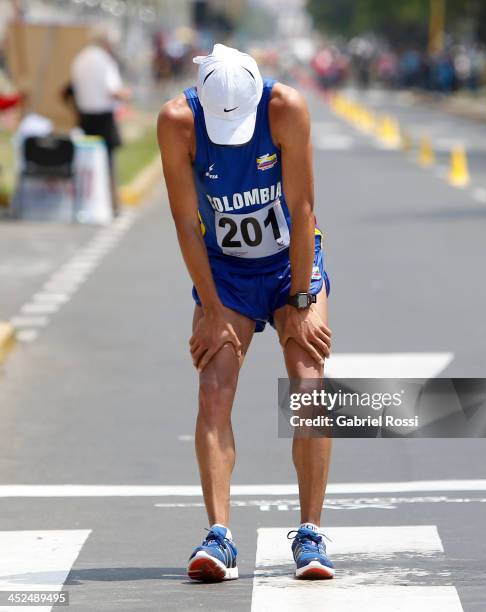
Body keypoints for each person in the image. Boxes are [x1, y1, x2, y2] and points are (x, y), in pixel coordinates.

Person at [157, 44, 333, 581]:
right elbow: (187, 224)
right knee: (214, 384)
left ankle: (311, 535)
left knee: (308, 385)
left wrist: (301, 303)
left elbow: (302, 211)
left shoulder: (286, 107)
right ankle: (219, 536)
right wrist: (211, 309)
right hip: (226, 271)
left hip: (289, 264)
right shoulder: (177, 122)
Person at [71, 30, 130, 215]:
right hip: (103, 117)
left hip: (84, 117)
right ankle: (113, 204)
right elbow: (112, 90)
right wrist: (126, 94)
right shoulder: (104, 61)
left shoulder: (79, 59)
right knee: (108, 163)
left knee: (85, 162)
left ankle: (84, 201)